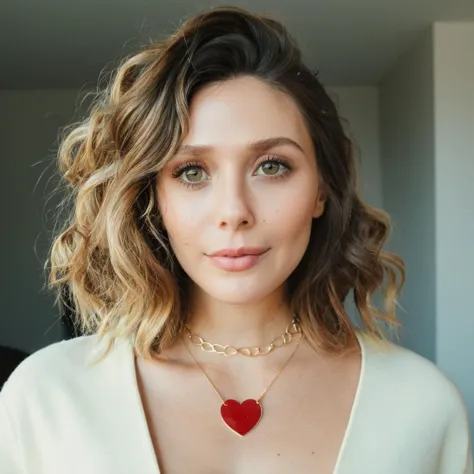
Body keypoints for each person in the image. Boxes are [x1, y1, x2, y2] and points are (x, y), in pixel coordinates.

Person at [0, 5, 472, 474]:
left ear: (322, 189)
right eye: (191, 172)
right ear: (154, 197)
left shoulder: (423, 407)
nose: (234, 212)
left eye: (272, 166)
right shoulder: (46, 397)